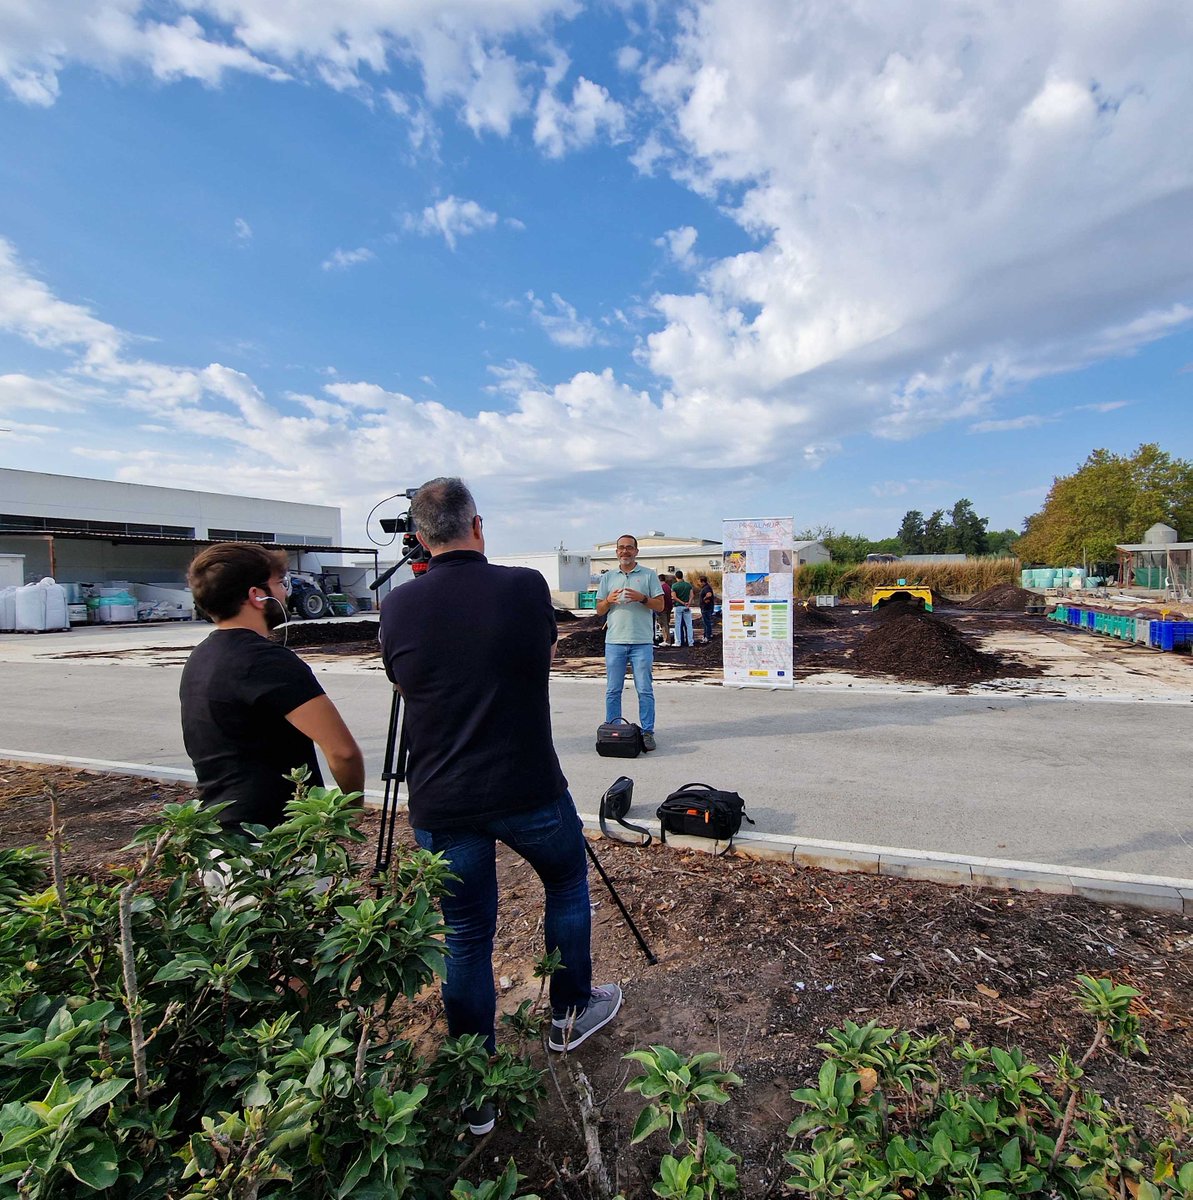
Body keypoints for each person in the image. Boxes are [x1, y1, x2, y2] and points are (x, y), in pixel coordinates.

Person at [379, 478, 621, 1133]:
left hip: (442, 797)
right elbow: (537, 656)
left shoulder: (397, 606)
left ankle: (476, 1089)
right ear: (477, 526)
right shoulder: (522, 586)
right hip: (528, 787)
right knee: (567, 883)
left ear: (419, 538)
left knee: (465, 936)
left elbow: (402, 679)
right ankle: (569, 1016)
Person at [180, 542, 365, 834]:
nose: (284, 592)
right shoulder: (268, 662)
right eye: (279, 583)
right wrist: (352, 810)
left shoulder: (201, 656)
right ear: (256, 595)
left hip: (219, 833)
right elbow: (343, 751)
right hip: (273, 841)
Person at [595, 535, 664, 751]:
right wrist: (608, 601)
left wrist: (642, 598)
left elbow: (660, 606)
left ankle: (647, 732)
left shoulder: (648, 575)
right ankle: (613, 730)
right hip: (614, 641)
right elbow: (599, 610)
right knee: (613, 690)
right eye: (621, 548)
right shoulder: (608, 578)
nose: (625, 551)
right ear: (616, 552)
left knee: (644, 689)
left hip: (641, 642)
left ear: (636, 551)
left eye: (629, 548)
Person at [671, 569, 694, 648]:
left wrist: (682, 602)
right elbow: (692, 595)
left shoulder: (674, 586)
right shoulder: (688, 585)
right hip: (686, 607)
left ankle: (678, 642)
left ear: (676, 577)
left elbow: (674, 597)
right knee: (689, 625)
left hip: (678, 606)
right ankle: (690, 642)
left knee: (677, 625)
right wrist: (688, 603)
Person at [698, 574, 717, 644]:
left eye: (699, 582)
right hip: (707, 608)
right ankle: (707, 635)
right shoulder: (706, 587)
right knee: (706, 622)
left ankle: (707, 637)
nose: (699, 583)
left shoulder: (706, 588)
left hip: (706, 608)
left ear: (703, 582)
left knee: (707, 623)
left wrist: (704, 599)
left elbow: (709, 595)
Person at [658, 572, 674, 646]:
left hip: (663, 608)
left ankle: (667, 640)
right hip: (668, 607)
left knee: (663, 624)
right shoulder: (667, 587)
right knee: (666, 623)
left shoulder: (661, 588)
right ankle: (667, 639)